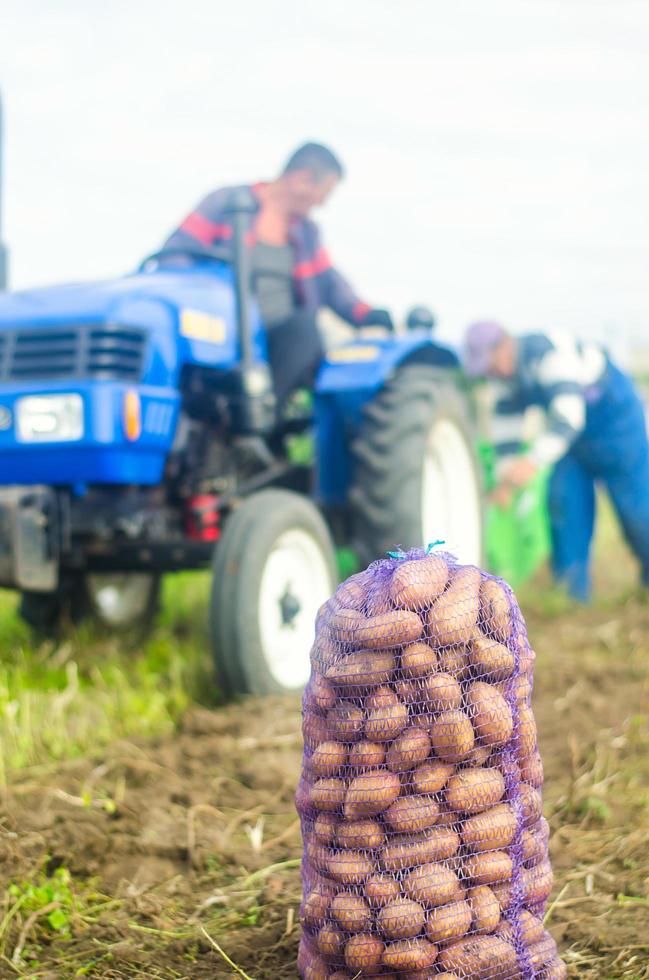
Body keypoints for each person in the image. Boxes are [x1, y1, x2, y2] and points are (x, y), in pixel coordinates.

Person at [163, 142, 393, 409]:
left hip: (277, 340)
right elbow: (176, 254)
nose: (322, 204)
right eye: (323, 193)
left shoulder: (305, 232)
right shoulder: (226, 203)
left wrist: (365, 313)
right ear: (302, 180)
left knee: (306, 331)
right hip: (222, 328)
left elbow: (330, 283)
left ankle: (263, 414)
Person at [463, 321, 649, 601]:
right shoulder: (503, 381)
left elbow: (569, 417)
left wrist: (533, 462)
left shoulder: (550, 356)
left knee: (637, 511)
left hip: (612, 423)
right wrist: (506, 481)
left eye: (490, 364)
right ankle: (573, 596)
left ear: (504, 346)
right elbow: (506, 441)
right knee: (564, 504)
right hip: (569, 441)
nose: (490, 373)